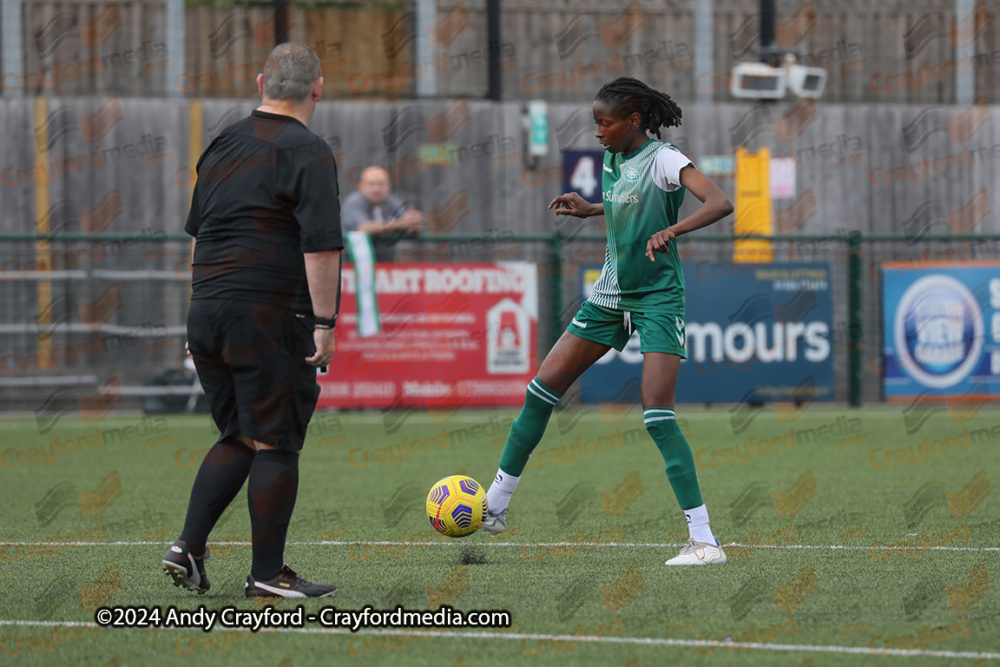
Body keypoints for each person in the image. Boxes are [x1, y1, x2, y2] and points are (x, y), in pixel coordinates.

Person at [480, 77, 735, 566]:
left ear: (634, 120)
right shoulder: (613, 157)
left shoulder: (666, 158)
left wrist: (672, 229)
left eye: (605, 122)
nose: (598, 132)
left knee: (656, 414)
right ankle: (496, 504)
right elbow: (628, 207)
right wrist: (592, 208)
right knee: (541, 389)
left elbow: (721, 202)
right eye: (596, 123)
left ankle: (705, 541)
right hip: (609, 294)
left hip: (658, 297)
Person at [163, 43, 343, 597]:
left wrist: (202, 315)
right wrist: (324, 321)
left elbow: (200, 235)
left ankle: (188, 548)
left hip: (208, 309)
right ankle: (267, 577)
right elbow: (321, 248)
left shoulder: (221, 143)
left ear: (261, 81)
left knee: (239, 434)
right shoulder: (308, 150)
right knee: (276, 441)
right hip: (268, 313)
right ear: (317, 88)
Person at [341, 166, 424, 261]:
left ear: (388, 187)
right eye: (371, 184)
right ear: (361, 187)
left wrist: (414, 223)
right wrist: (403, 222)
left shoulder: (391, 202)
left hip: (386, 264)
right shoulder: (354, 202)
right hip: (354, 263)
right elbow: (364, 228)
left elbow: (407, 225)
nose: (377, 189)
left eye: (381, 184)